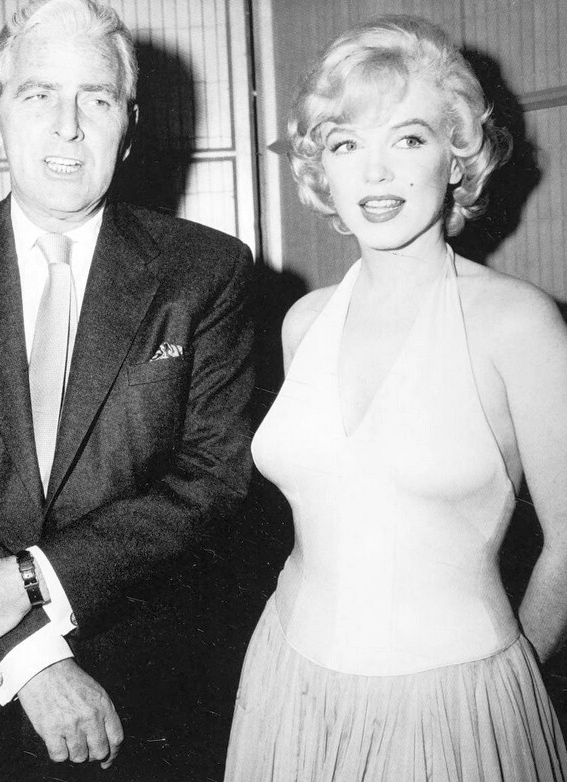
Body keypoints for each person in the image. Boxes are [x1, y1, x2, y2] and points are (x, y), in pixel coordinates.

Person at [0, 1, 254, 780]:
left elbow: (213, 478)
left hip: (143, 697)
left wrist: (30, 579)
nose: (67, 127)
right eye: (38, 95)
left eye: (96, 99)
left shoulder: (206, 271)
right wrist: (30, 659)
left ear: (128, 124)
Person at [225, 15, 567, 782]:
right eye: (347, 144)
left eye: (408, 138)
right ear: (322, 169)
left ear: (457, 155)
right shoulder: (303, 322)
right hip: (288, 685)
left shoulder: (519, 324)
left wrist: (505, 692)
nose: (375, 173)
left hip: (453, 708)